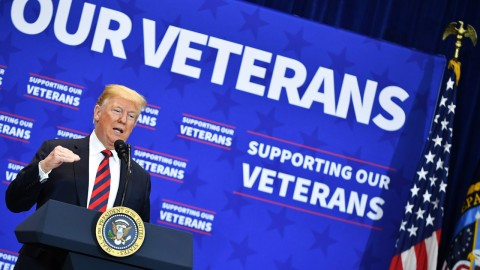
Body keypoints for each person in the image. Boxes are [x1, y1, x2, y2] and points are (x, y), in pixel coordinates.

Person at [5, 84, 151, 270]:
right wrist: (44, 167)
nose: (123, 120)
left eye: (131, 116)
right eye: (117, 110)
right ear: (97, 113)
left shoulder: (139, 177)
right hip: (42, 264)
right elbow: (15, 202)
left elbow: (138, 239)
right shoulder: (56, 151)